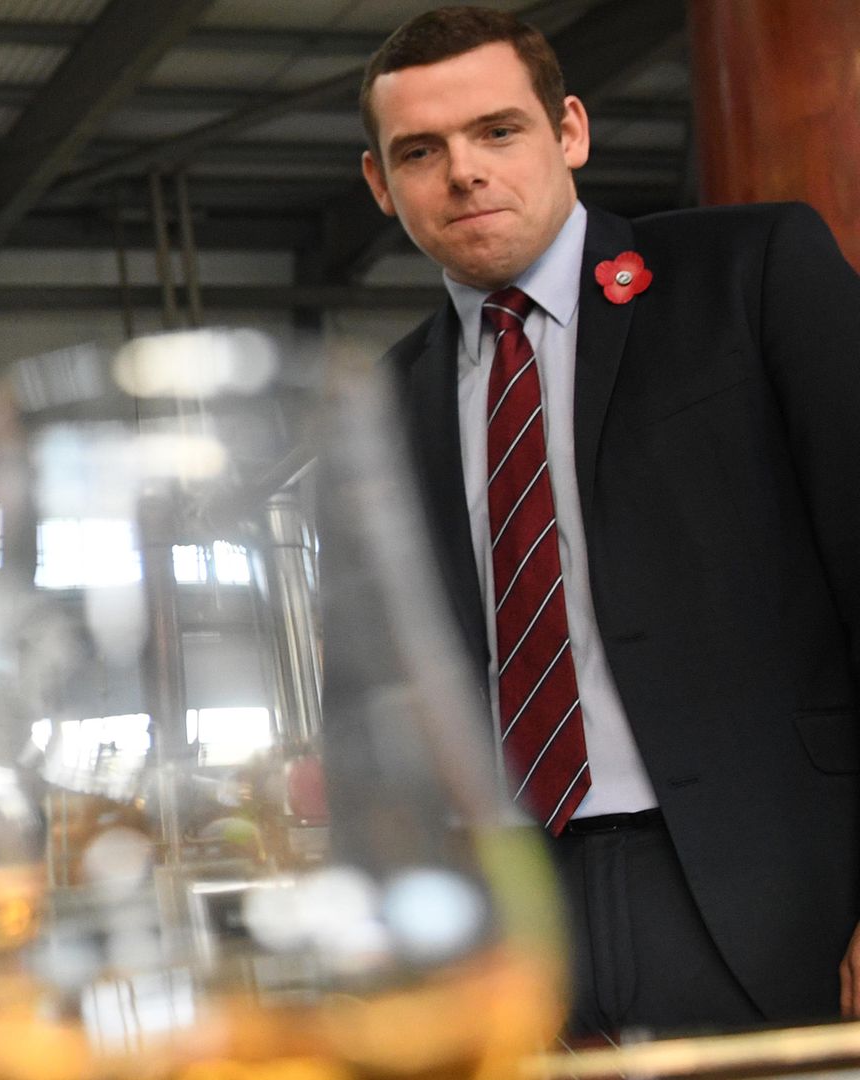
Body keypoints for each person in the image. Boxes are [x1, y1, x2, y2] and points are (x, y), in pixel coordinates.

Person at [358, 5, 860, 1039]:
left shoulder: (753, 273)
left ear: (570, 132)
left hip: (765, 873)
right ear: (382, 186)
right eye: (421, 150)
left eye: (498, 131)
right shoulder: (380, 400)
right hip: (510, 912)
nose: (464, 172)